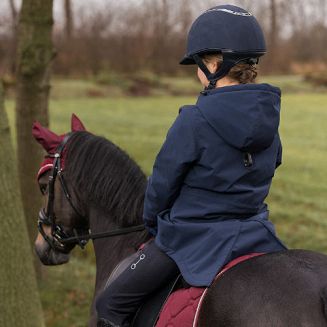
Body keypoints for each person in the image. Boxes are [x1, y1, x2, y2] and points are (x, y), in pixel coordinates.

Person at [96, 4, 287, 327]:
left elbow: (161, 185)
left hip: (191, 238)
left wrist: (153, 222)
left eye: (198, 64)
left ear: (213, 64)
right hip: (255, 232)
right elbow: (273, 164)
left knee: (110, 304)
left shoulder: (194, 120)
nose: (197, 71)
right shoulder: (269, 118)